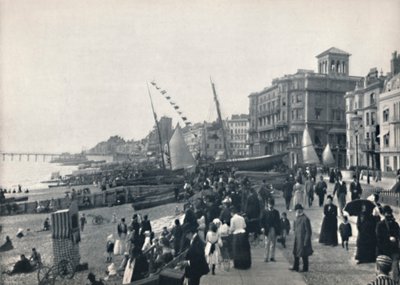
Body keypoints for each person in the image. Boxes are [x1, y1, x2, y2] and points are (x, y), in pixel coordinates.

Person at [376, 205, 400, 284]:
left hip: (393, 250)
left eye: (389, 213)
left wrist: (395, 238)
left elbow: (398, 235)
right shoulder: (380, 225)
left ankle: (395, 282)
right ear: (383, 214)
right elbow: (378, 239)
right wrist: (388, 239)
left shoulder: (395, 224)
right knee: (383, 269)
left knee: (395, 266)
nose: (388, 215)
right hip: (384, 250)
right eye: (386, 213)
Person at [289, 204, 313, 272]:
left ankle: (305, 268)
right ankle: (295, 266)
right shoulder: (297, 218)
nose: (296, 212)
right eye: (296, 211)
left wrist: (306, 241)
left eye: (297, 210)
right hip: (297, 239)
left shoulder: (305, 219)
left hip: (303, 240)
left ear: (300, 210)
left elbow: (309, 231)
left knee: (304, 255)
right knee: (296, 253)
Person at [260, 198, 281, 262]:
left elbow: (278, 222)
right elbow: (261, 221)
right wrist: (262, 227)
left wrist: (278, 231)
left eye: (271, 204)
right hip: (267, 229)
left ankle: (272, 257)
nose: (270, 206)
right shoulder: (264, 212)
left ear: (273, 205)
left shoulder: (276, 212)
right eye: (269, 204)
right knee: (267, 243)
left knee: (273, 243)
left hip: (274, 229)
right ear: (267, 205)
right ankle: (266, 257)